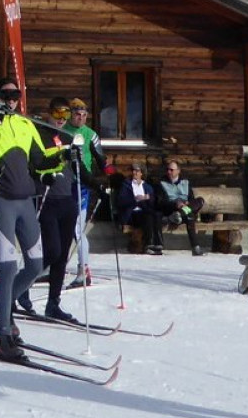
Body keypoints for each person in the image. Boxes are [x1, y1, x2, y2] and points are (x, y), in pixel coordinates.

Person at [0, 78, 63, 360]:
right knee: (8, 266)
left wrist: (65, 154)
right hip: (1, 199)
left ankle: (4, 305)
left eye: (16, 95)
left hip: (25, 200)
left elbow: (40, 158)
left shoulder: (25, 125)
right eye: (7, 95)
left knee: (36, 264)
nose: (12, 100)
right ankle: (4, 333)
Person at [18, 96, 87, 324]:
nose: (61, 119)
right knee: (52, 251)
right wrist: (42, 177)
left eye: (65, 115)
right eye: (57, 114)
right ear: (49, 113)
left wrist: (101, 182)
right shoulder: (39, 135)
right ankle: (21, 286)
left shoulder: (68, 137)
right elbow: (33, 164)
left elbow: (78, 167)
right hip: (46, 198)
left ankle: (53, 303)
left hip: (67, 199)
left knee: (62, 256)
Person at [60, 99, 105, 288]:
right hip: (61, 182)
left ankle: (83, 271)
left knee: (77, 229)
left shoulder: (90, 135)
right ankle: (51, 267)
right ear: (71, 114)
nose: (81, 118)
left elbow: (101, 159)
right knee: (57, 226)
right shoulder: (62, 131)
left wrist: (109, 175)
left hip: (81, 183)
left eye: (84, 115)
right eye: (78, 114)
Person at [153, 161, 207, 256]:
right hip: (171, 210)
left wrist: (187, 203)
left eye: (171, 170)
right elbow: (160, 202)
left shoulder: (185, 182)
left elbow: (191, 198)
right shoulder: (161, 183)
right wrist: (175, 204)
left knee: (200, 201)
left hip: (184, 209)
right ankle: (196, 247)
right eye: (167, 170)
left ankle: (180, 214)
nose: (169, 172)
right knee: (190, 215)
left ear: (178, 171)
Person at [115, 163, 161, 255]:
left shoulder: (147, 186)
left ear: (142, 173)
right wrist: (136, 199)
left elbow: (153, 201)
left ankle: (158, 244)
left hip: (145, 211)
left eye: (137, 170)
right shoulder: (126, 185)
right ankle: (149, 244)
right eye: (133, 170)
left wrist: (147, 198)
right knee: (148, 216)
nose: (134, 172)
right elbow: (122, 201)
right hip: (131, 213)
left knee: (155, 215)